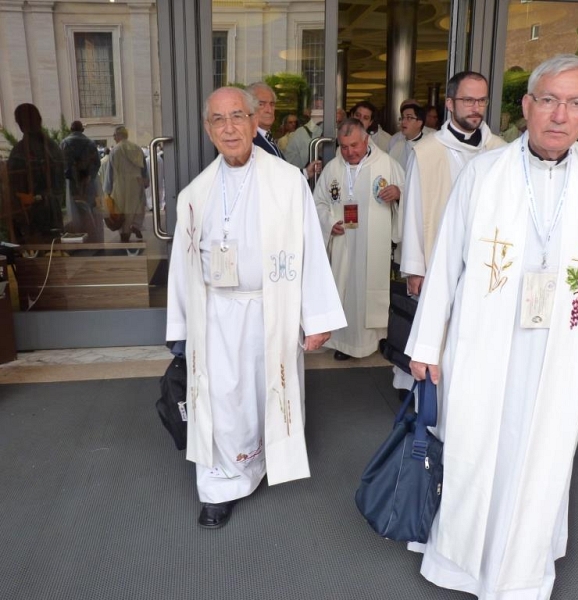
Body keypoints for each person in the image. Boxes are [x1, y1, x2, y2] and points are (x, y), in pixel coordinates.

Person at [406, 53, 578, 600]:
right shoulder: (485, 173)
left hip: (560, 345)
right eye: (550, 100)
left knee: (545, 451)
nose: (560, 114)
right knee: (473, 445)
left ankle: (522, 569)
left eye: (575, 103)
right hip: (484, 342)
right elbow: (445, 262)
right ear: (527, 106)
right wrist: (426, 344)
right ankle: (462, 562)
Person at [166, 86, 346, 529]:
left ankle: (261, 461)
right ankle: (219, 485)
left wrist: (316, 316)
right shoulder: (195, 194)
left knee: (267, 392)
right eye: (218, 120)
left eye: (237, 117)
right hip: (217, 315)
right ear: (208, 129)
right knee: (221, 398)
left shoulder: (287, 182)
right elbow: (182, 266)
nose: (229, 127)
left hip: (272, 309)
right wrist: (181, 325)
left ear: (253, 121)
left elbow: (309, 251)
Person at [401, 70, 505, 297]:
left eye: (481, 100)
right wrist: (414, 268)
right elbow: (413, 212)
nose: (476, 107)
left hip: (487, 260)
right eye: (468, 100)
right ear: (449, 103)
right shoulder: (426, 151)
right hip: (442, 256)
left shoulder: (500, 150)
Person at [313, 118, 404, 360]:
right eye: (344, 147)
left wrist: (398, 194)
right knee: (344, 289)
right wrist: (329, 223)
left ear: (366, 140)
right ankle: (345, 343)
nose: (349, 152)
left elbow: (409, 199)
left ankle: (376, 339)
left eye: (354, 145)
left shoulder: (387, 164)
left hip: (374, 243)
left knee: (370, 291)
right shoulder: (333, 168)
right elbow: (318, 202)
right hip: (342, 243)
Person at [7, 103, 65, 242]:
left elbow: (14, 186)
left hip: (34, 215)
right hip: (53, 211)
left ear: (21, 124)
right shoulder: (52, 146)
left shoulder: (22, 150)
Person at [103, 126, 148, 242]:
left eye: (114, 135)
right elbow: (144, 168)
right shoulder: (137, 148)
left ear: (118, 136)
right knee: (137, 206)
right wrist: (146, 180)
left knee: (122, 209)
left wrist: (107, 189)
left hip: (120, 184)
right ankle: (136, 225)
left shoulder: (115, 150)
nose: (113, 137)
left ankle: (125, 233)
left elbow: (110, 172)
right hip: (136, 182)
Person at [60, 120, 102, 241]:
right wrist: (89, 177)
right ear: (82, 130)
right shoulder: (90, 143)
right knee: (90, 208)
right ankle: (93, 235)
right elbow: (97, 163)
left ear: (71, 129)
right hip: (89, 182)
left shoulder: (64, 143)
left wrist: (70, 177)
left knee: (74, 210)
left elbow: (62, 164)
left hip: (72, 182)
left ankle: (78, 237)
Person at [247, 82, 285, 158]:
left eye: (272, 104)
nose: (269, 110)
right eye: (261, 104)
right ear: (248, 107)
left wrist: (305, 170)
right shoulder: (247, 141)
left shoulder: (267, 136)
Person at [389, 103, 426, 170]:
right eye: (403, 118)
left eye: (409, 118)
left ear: (419, 123)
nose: (403, 121)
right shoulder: (397, 145)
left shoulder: (427, 145)